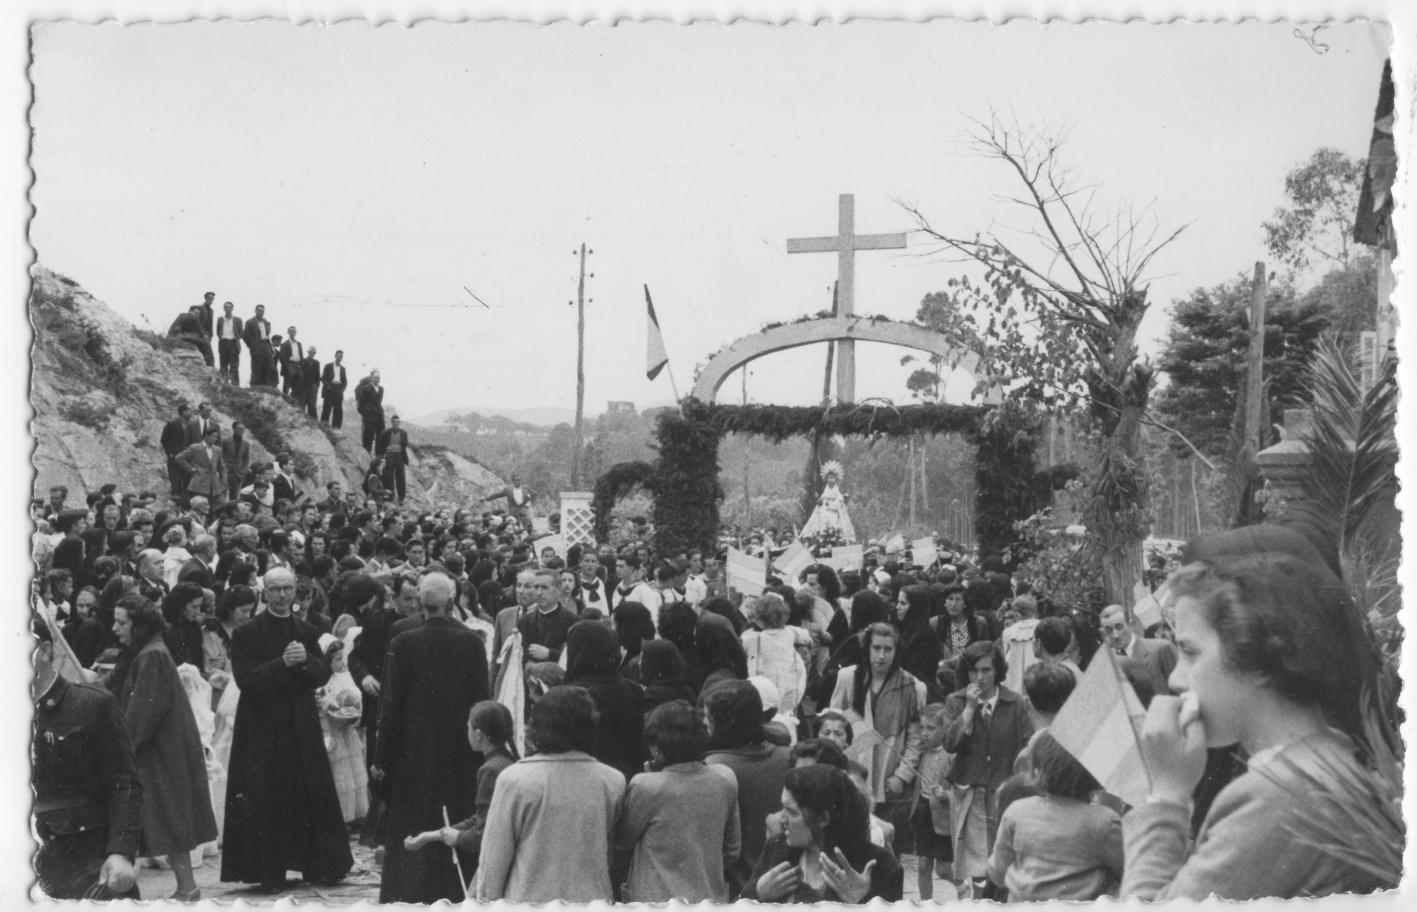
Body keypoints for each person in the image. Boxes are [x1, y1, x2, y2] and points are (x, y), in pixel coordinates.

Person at [1123, 525, 1396, 900]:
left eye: (1190, 653)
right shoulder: (1330, 760)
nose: (1174, 679)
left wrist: (1166, 796)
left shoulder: (1280, 797)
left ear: (1257, 657)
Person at [221, 567, 352, 892]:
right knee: (268, 796)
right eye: (275, 589)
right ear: (265, 592)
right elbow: (246, 679)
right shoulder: (247, 632)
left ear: (295, 591)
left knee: (308, 793)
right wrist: (283, 663)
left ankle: (315, 864)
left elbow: (322, 675)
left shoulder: (307, 629)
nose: (282, 595)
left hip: (301, 724)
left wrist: (306, 659)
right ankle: (270, 871)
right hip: (263, 727)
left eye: (287, 589)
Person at [373, 572, 491, 903]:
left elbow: (390, 706)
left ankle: (408, 897)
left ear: (422, 605)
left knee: (413, 827)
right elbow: (481, 701)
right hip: (460, 751)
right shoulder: (470, 642)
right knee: (454, 821)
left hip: (412, 754)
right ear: (452, 603)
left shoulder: (403, 642)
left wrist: (382, 758)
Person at [107, 595, 218, 901]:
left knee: (166, 816)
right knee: (167, 817)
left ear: (139, 625)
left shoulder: (151, 655)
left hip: (160, 751)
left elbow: (144, 711)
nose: (115, 628)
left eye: (122, 622)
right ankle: (186, 887)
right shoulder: (147, 650)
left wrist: (122, 746)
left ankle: (185, 887)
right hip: (162, 748)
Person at [476, 685, 627, 902]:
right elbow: (609, 854)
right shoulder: (613, 781)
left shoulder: (515, 780)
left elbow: (493, 864)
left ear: (538, 726)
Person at [32, 616, 142, 900]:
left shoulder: (93, 705)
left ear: (44, 650)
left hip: (88, 866)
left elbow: (124, 785)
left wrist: (121, 851)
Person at [614, 701, 741, 902]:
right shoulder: (724, 779)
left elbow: (622, 841)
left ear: (655, 746)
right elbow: (732, 851)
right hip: (707, 897)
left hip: (655, 898)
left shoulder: (646, 786)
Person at [941, 640, 1035, 899]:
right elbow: (949, 744)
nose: (979, 677)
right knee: (977, 867)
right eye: (974, 671)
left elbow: (1028, 745)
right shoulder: (956, 701)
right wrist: (970, 710)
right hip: (971, 793)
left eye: (986, 670)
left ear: (997, 671)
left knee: (1004, 861)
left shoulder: (1015, 703)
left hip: (1005, 794)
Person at [987, 731, 1123, 902]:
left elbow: (997, 872)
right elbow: (1127, 871)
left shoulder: (1016, 811)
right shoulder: (1104, 821)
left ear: (1038, 768)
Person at [740, 765, 902, 902]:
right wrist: (757, 893)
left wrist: (862, 901)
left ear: (823, 818)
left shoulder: (880, 866)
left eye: (791, 811)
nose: (782, 819)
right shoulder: (777, 849)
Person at [826, 622, 926, 840]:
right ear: (867, 649)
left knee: (887, 843)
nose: (881, 656)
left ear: (896, 651)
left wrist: (902, 776)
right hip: (851, 774)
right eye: (876, 648)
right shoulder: (848, 678)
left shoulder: (912, 687)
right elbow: (833, 724)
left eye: (888, 649)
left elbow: (915, 739)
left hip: (889, 778)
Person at [402, 701, 518, 870]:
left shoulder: (490, 770)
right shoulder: (507, 761)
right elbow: (481, 819)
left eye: (468, 727)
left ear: (478, 734)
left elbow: (482, 834)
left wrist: (458, 838)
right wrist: (430, 836)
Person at [702, 679, 791, 896]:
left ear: (724, 722)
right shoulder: (788, 756)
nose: (705, 723)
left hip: (736, 888)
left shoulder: (714, 768)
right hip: (784, 880)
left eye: (709, 717)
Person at [741, 591, 810, 720]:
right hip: (790, 677)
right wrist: (807, 642)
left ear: (759, 619)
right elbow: (805, 635)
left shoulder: (755, 638)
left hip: (768, 678)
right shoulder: (790, 632)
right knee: (787, 712)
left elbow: (744, 646)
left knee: (768, 709)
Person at [1099, 602, 1177, 699]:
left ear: (1131, 625)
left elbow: (1180, 689)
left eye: (1119, 627)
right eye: (1109, 630)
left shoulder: (1161, 648)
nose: (1115, 635)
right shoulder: (1110, 663)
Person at [799, 461, 856, 544]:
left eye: (832, 478)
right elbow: (822, 501)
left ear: (835, 479)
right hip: (824, 513)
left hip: (834, 513)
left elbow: (839, 502)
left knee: (837, 526)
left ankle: (836, 539)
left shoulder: (837, 492)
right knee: (819, 523)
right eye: (829, 478)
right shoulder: (825, 491)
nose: (831, 480)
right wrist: (820, 502)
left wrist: (831, 505)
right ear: (827, 479)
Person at [176, 425, 226, 506]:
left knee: (221, 506)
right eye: (214, 437)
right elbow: (179, 458)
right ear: (206, 436)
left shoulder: (217, 450)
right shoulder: (195, 448)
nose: (216, 439)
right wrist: (191, 469)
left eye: (217, 437)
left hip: (215, 486)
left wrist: (224, 482)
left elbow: (222, 468)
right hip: (199, 485)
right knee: (201, 507)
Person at [375, 414, 411, 504]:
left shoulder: (403, 433)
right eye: (395, 422)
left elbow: (405, 445)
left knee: (401, 477)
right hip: (389, 455)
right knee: (388, 477)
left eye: (398, 422)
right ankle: (390, 496)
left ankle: (401, 497)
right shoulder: (386, 432)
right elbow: (380, 445)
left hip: (399, 456)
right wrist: (381, 456)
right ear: (391, 422)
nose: (396, 423)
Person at [161, 404, 192, 498]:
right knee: (175, 480)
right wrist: (169, 453)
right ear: (183, 412)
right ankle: (174, 501)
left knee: (187, 479)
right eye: (189, 410)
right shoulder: (172, 423)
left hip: (187, 457)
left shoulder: (190, 424)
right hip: (174, 455)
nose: (191, 413)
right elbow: (164, 440)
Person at [355, 369, 385, 453]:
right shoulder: (366, 388)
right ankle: (366, 453)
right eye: (375, 378)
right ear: (371, 378)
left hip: (379, 415)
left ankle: (379, 454)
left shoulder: (381, 389)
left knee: (380, 434)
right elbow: (361, 403)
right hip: (369, 415)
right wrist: (365, 413)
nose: (377, 380)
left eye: (378, 378)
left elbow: (379, 402)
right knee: (368, 435)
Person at [215, 301, 243, 384]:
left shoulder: (237, 320)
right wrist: (222, 338)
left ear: (232, 308)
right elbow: (218, 331)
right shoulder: (220, 319)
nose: (228, 309)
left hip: (233, 343)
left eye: (230, 307)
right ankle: (224, 384)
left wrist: (236, 338)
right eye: (226, 307)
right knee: (223, 365)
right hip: (223, 343)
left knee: (234, 365)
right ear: (224, 308)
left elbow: (241, 332)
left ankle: (235, 385)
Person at [320, 349, 348, 428]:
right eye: (339, 356)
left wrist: (342, 389)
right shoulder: (328, 366)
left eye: (341, 357)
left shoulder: (343, 369)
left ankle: (336, 429)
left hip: (338, 390)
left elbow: (345, 382)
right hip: (329, 389)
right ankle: (324, 427)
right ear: (335, 356)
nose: (340, 358)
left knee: (338, 411)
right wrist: (328, 386)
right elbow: (323, 378)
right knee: (326, 409)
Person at [278, 326, 304, 399]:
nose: (292, 333)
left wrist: (301, 366)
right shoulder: (284, 344)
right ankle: (284, 401)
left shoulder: (299, 344)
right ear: (288, 332)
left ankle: (292, 400)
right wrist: (287, 366)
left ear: (296, 333)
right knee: (287, 385)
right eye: (291, 331)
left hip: (298, 366)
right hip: (289, 365)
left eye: (294, 331)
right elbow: (282, 357)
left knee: (299, 385)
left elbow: (301, 356)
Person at [300, 345, 321, 419]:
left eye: (313, 352)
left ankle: (313, 421)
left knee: (312, 404)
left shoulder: (316, 363)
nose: (312, 353)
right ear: (308, 352)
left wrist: (317, 385)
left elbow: (318, 375)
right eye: (310, 352)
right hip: (304, 385)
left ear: (314, 353)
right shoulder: (303, 361)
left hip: (313, 386)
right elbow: (301, 373)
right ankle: (301, 419)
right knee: (302, 403)